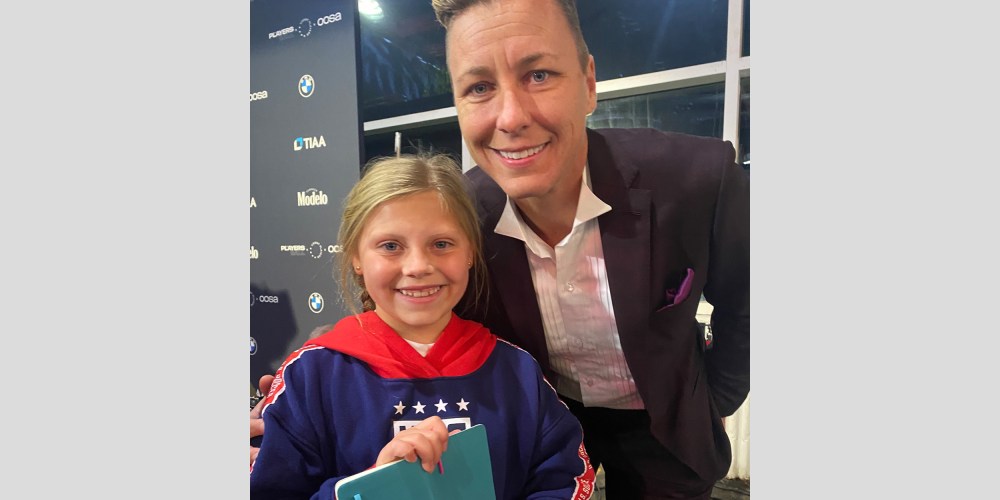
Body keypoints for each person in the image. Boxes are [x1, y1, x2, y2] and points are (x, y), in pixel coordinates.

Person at [255, 0, 750, 496]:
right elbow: (395, 303)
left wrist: (711, 399)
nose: (510, 117)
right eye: (480, 87)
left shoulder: (696, 181)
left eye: (538, 75)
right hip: (536, 416)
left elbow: (750, 305)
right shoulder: (459, 215)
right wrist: (293, 390)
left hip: (660, 419)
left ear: (589, 82)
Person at [249, 154, 595, 500]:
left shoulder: (517, 372)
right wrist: (372, 488)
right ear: (356, 256)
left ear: (471, 252)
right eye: (390, 246)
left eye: (441, 244)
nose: (418, 266)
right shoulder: (310, 376)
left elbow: (563, 479)